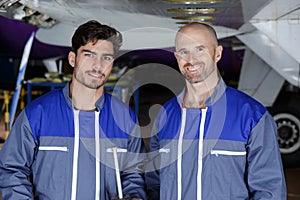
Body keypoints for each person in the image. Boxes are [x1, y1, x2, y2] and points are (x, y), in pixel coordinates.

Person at [0, 20, 146, 200]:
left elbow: (134, 175)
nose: (98, 65)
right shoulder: (38, 114)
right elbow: (12, 169)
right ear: (72, 59)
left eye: (106, 57)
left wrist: (134, 196)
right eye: (89, 55)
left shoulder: (126, 119)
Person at [146, 22, 286, 199]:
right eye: (183, 52)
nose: (191, 59)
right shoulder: (164, 115)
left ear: (217, 53)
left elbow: (269, 190)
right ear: (176, 57)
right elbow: (154, 184)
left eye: (200, 49)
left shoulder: (251, 116)